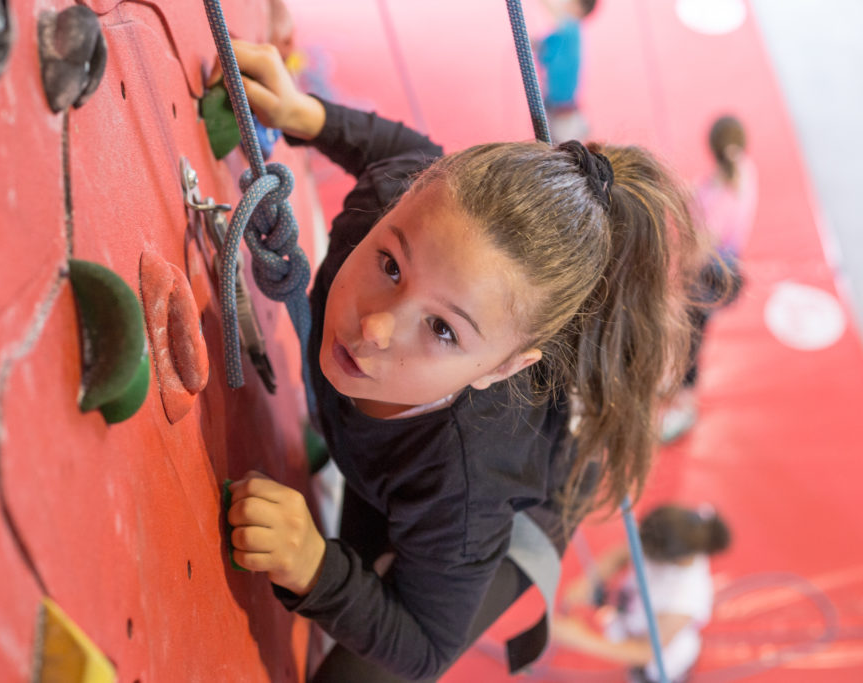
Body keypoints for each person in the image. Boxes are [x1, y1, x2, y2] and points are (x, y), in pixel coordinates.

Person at [221, 40, 701, 681]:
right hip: (411, 448)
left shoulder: (463, 484)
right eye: (390, 266)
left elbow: (424, 644)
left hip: (501, 502)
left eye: (442, 329)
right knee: (358, 541)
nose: (375, 328)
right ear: (399, 205)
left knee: (354, 660)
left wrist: (314, 567)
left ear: (502, 368)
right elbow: (401, 153)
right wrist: (308, 115)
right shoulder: (392, 206)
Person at [552, 504, 732, 682]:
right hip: (632, 617)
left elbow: (646, 652)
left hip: (660, 659)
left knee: (646, 675)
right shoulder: (659, 537)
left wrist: (581, 638)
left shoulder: (687, 597)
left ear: (669, 560)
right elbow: (620, 555)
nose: (639, 550)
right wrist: (588, 583)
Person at [661, 115, 757, 442]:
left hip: (708, 279)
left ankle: (684, 404)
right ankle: (677, 386)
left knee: (690, 338)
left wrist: (676, 280)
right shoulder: (742, 170)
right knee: (689, 336)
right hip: (726, 269)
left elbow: (700, 250)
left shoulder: (718, 200)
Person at [534, 0, 598, 142]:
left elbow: (556, 11)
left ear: (578, 8)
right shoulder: (561, 35)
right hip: (555, 109)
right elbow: (544, 50)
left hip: (563, 114)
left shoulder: (571, 28)